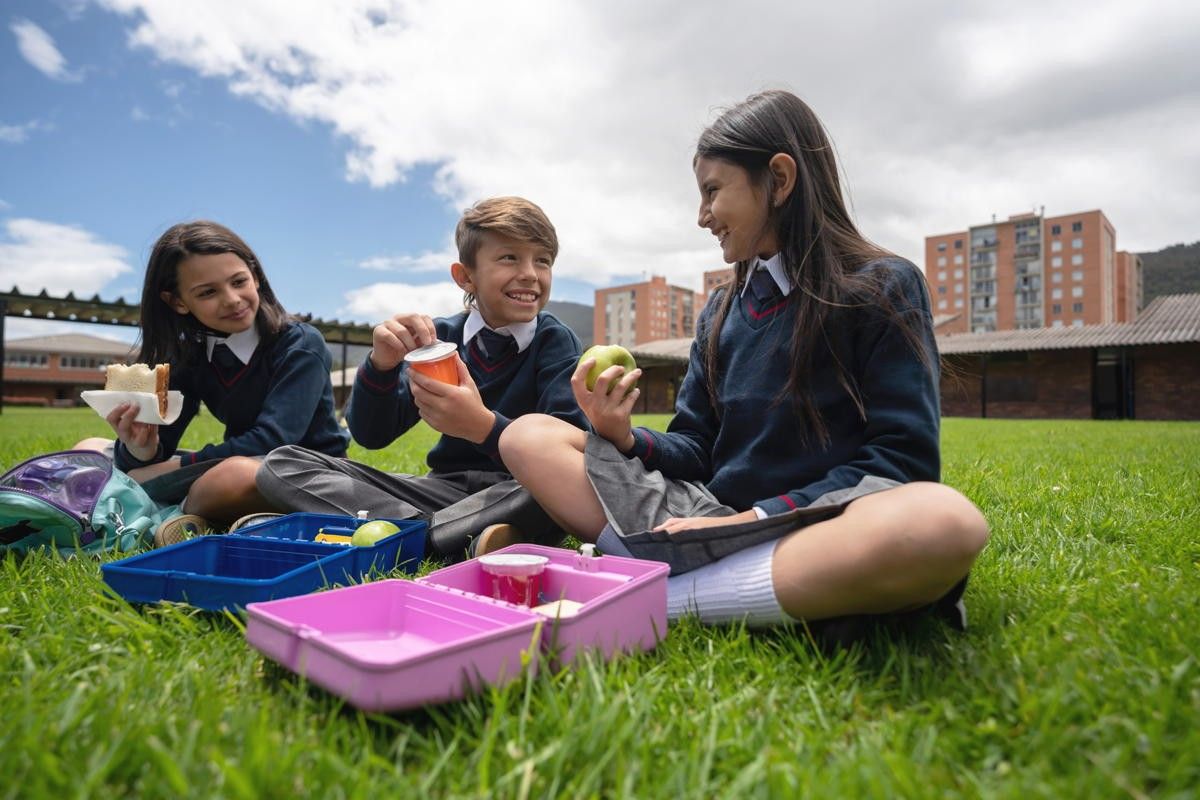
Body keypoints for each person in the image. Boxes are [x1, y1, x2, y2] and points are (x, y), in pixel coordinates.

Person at [498, 90, 989, 633]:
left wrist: (756, 518)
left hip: (815, 525)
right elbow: (698, 447)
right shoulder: (719, 311)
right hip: (703, 519)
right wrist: (624, 436)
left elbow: (901, 462)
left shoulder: (883, 286)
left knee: (943, 522)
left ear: (779, 180)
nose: (702, 216)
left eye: (712, 191)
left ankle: (666, 596)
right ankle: (763, 591)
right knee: (529, 437)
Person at [255, 196, 589, 558]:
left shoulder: (555, 342)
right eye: (510, 257)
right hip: (440, 490)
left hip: (516, 488)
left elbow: (567, 454)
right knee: (281, 463)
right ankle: (444, 534)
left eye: (543, 260)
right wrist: (380, 366)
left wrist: (484, 427)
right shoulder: (436, 340)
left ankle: (405, 534)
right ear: (466, 276)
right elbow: (372, 435)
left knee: (550, 493)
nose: (530, 273)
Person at [74, 220, 349, 544]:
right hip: (236, 465)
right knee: (88, 449)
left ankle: (165, 514)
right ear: (177, 302)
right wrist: (141, 449)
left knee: (223, 480)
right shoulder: (191, 355)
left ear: (255, 276)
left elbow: (273, 439)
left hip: (307, 472)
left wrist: (172, 467)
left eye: (238, 281)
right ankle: (184, 512)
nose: (232, 299)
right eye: (208, 292)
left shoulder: (301, 343)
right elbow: (159, 449)